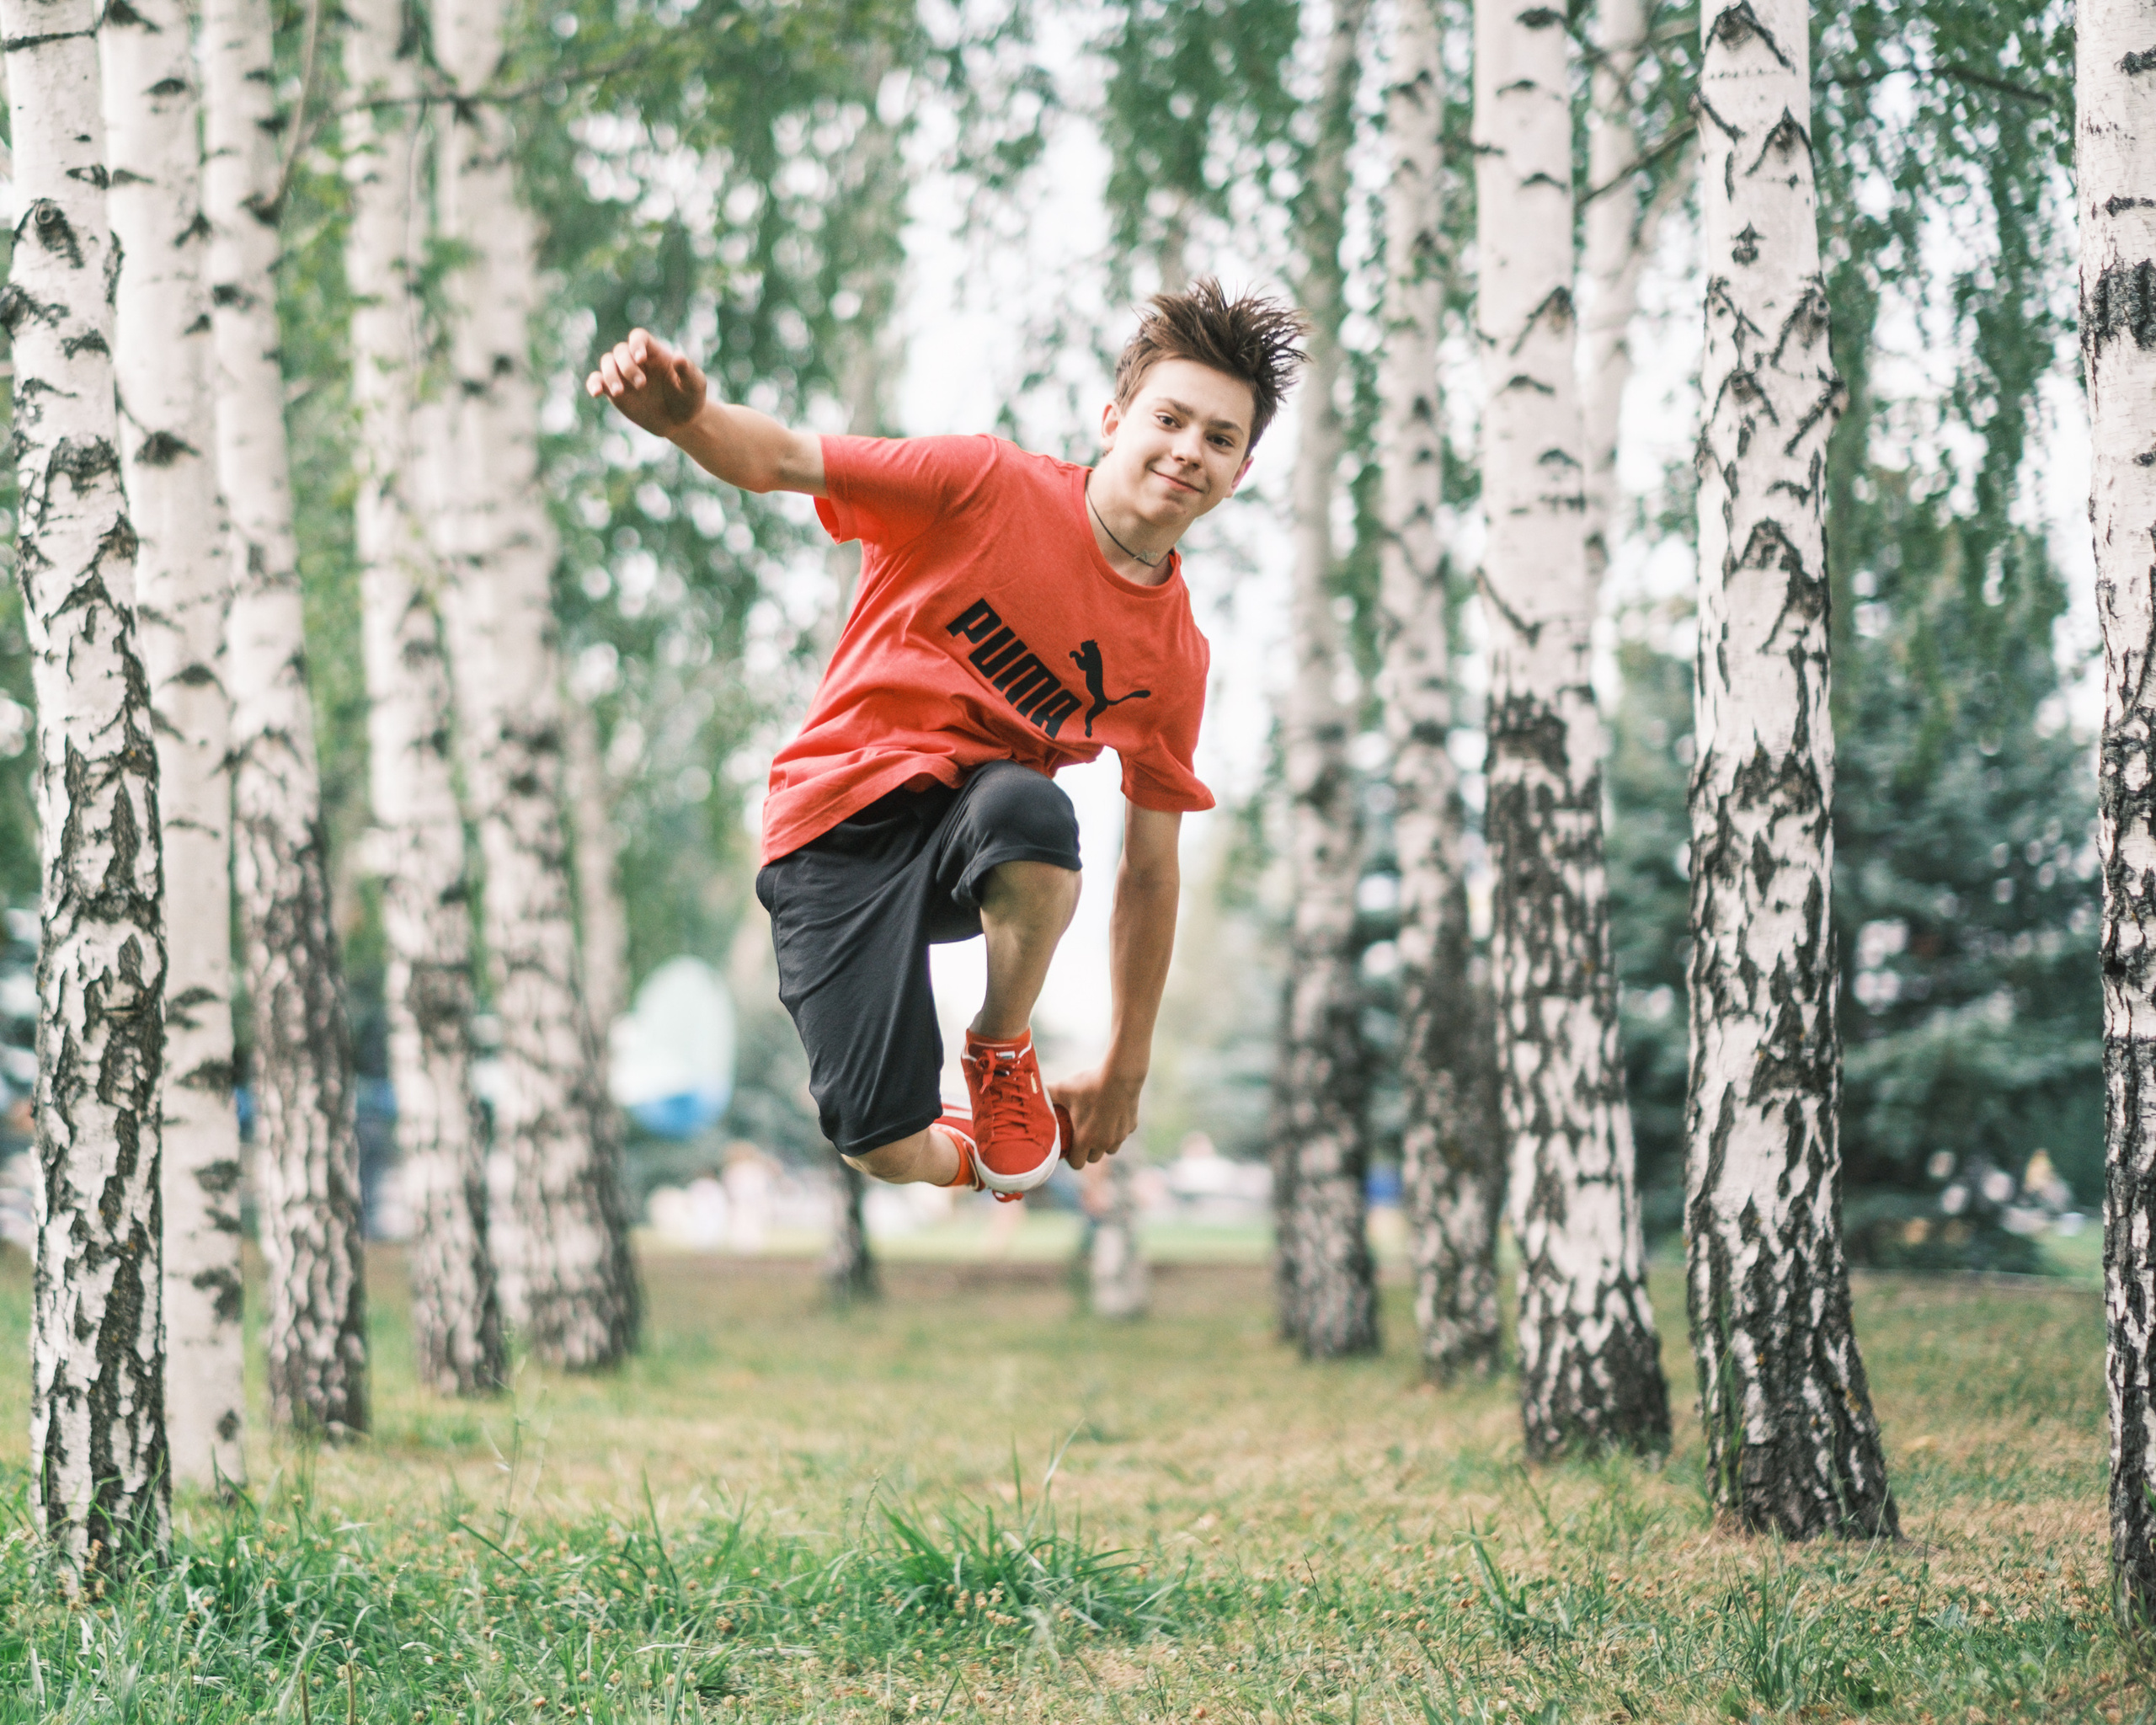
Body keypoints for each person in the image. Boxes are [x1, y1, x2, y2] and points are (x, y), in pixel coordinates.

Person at [586, 280, 1306, 1203]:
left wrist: (1126, 1060)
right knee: (878, 1142)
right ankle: (980, 1154)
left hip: (967, 842)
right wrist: (687, 418)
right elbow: (778, 457)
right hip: (831, 826)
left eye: (1220, 438)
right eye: (1170, 418)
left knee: (1033, 811)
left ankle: (1000, 1051)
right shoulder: (981, 483)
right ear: (1113, 418)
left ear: (1240, 471)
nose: (1187, 451)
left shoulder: (1172, 656)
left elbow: (1151, 870)